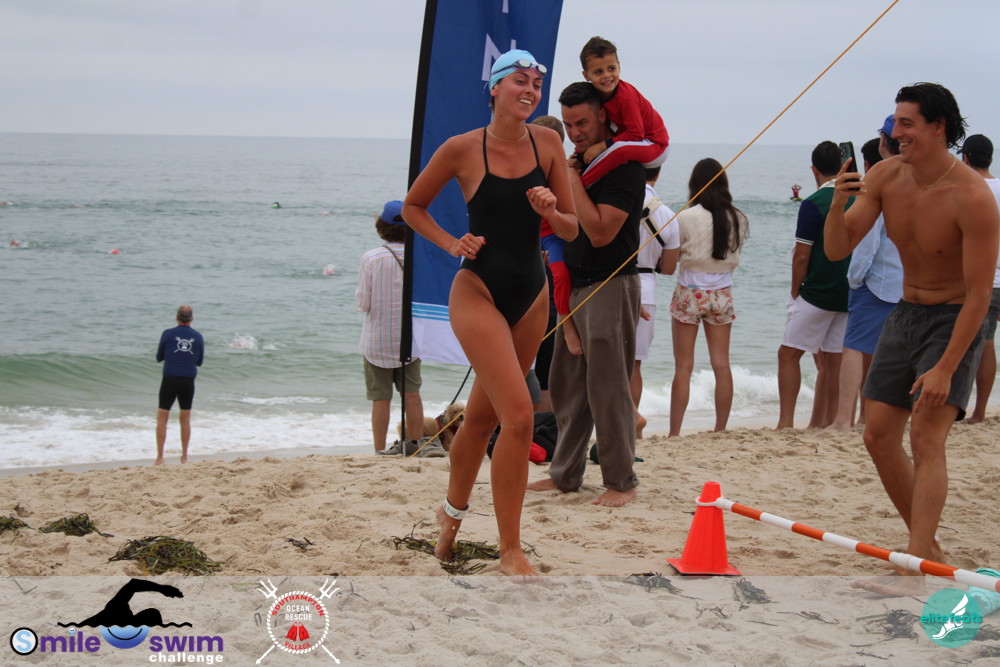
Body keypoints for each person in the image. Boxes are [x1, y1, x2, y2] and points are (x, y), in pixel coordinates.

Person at [402, 49, 577, 578]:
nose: (530, 91)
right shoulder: (462, 148)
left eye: (536, 85)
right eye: (520, 81)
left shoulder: (548, 143)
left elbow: (571, 229)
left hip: (532, 295)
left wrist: (551, 210)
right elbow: (413, 207)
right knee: (520, 414)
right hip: (477, 290)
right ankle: (510, 550)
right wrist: (451, 243)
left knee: (480, 421)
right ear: (496, 87)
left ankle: (449, 523)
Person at [825, 83, 999, 596]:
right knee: (877, 436)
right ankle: (929, 552)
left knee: (926, 438)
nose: (895, 133)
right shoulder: (885, 176)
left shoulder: (973, 196)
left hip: (955, 317)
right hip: (904, 313)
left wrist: (945, 367)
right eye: (895, 123)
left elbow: (979, 294)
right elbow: (837, 249)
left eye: (907, 124)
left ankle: (914, 564)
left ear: (938, 127)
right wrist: (837, 205)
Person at [527, 81, 646, 508]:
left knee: (608, 388)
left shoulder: (624, 167)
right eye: (569, 124)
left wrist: (571, 176)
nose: (575, 133)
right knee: (567, 387)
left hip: (610, 283)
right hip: (575, 284)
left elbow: (599, 232)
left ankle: (621, 481)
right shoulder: (580, 163)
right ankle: (565, 474)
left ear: (602, 116)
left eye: (582, 123)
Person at [828, 121, 903, 433]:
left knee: (855, 346)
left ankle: (844, 419)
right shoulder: (915, 180)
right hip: (906, 282)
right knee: (885, 350)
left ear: (885, 140)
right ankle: (866, 416)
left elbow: (866, 243)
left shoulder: (881, 182)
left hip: (879, 281)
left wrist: (855, 279)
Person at [669, 158, 748, 436]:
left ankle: (675, 432)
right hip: (722, 292)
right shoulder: (738, 217)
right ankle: (720, 428)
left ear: (695, 184)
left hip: (690, 291)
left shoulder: (686, 217)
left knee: (683, 366)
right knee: (721, 364)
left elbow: (673, 259)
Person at [776, 141, 852, 429]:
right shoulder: (858, 199)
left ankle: (785, 422)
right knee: (834, 361)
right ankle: (830, 421)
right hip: (849, 291)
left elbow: (802, 254)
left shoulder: (814, 203)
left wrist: (796, 290)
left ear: (814, 169)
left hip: (819, 291)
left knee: (789, 353)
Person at [356, 200, 428, 454]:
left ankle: (379, 451)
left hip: (377, 342)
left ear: (382, 227)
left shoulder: (371, 258)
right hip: (410, 340)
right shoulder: (420, 257)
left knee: (381, 399)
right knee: (412, 396)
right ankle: (415, 447)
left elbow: (363, 304)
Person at [577, 36, 669, 188]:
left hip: (655, 144)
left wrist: (602, 146)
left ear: (619, 67)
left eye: (611, 68)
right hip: (628, 139)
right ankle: (578, 165)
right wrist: (579, 155)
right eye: (598, 72)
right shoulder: (593, 96)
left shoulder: (626, 97)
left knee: (619, 150)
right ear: (586, 75)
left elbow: (636, 134)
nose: (606, 76)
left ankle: (581, 184)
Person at [633, 166, 679, 438]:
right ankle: (632, 417)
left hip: (613, 282)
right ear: (658, 174)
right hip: (647, 286)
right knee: (634, 364)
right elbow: (670, 268)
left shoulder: (615, 202)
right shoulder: (668, 215)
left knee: (608, 360)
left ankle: (626, 417)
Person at [958, 134, 1000, 423]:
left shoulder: (968, 190)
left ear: (965, 159)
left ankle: (979, 412)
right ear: (991, 158)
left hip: (985, 279)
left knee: (983, 344)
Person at [155, 305, 204, 465]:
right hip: (188, 380)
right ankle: (184, 457)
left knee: (162, 417)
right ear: (192, 318)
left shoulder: (168, 334)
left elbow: (159, 356)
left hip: (170, 378)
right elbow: (199, 361)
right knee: (185, 418)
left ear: (177, 317)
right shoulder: (197, 336)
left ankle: (160, 457)